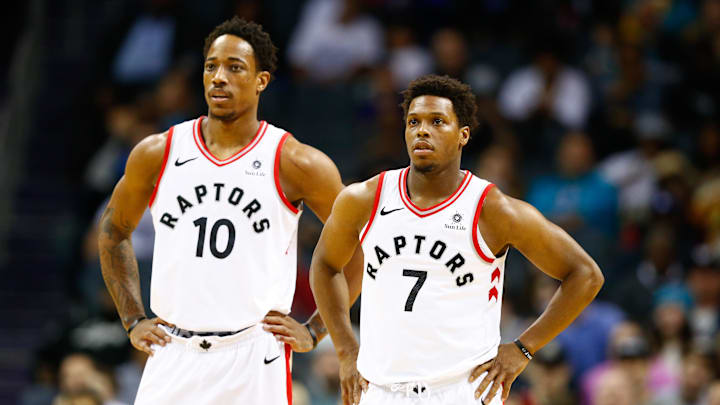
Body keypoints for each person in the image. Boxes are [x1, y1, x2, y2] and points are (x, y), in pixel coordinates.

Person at [98, 17, 360, 404]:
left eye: (235, 67)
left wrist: (316, 329)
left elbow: (358, 246)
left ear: (261, 81)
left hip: (254, 353)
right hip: (173, 350)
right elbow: (114, 231)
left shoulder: (296, 162)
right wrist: (133, 318)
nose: (219, 77)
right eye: (211, 66)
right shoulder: (158, 153)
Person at [310, 74, 604, 405]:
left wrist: (524, 347)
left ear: (463, 135)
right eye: (414, 122)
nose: (422, 130)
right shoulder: (363, 199)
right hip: (379, 390)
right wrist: (346, 348)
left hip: (462, 390)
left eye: (437, 121)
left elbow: (585, 274)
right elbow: (325, 264)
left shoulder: (493, 210)